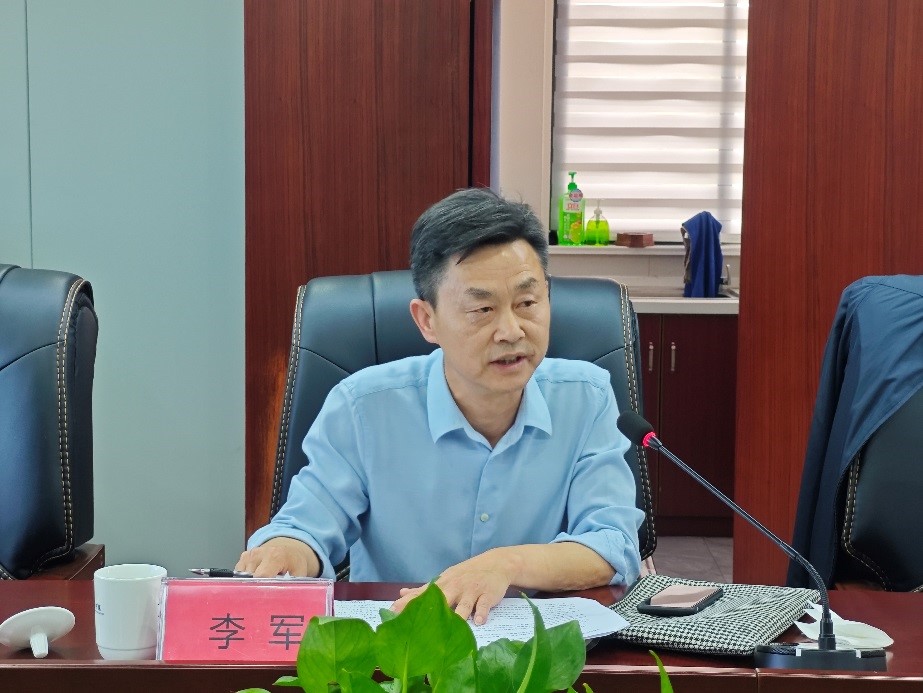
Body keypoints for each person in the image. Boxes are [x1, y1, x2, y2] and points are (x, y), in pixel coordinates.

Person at [237, 188, 643, 624]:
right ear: (426, 320)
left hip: (533, 649)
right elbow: (306, 526)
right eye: (482, 309)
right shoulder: (362, 408)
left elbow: (611, 543)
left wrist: (502, 565)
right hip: (400, 645)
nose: (511, 331)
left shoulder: (587, 397)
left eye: (527, 303)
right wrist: (285, 551)